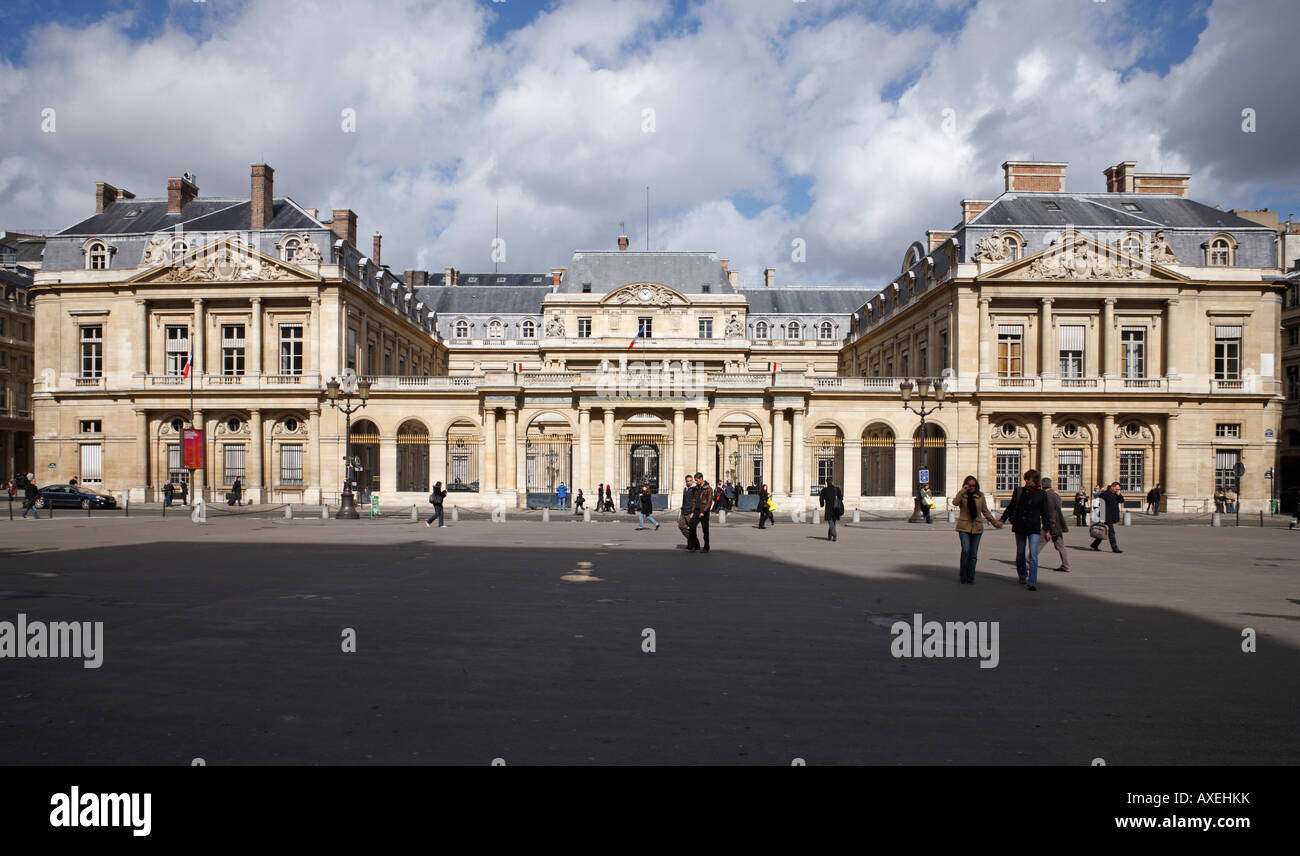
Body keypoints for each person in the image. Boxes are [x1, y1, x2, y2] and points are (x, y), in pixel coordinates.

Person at [1000, 469, 1053, 590]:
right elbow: (1011, 507)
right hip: (1020, 526)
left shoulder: (1041, 494)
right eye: (1025, 479)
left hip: (1034, 527)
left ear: (1034, 480)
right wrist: (1002, 520)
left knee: (1033, 554)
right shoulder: (1019, 491)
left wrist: (1047, 530)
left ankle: (1032, 581)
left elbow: (1045, 513)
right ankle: (1023, 574)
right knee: (1020, 553)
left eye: (1028, 479)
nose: (1026, 481)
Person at [953, 475, 1003, 584]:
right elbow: (955, 503)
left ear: (976, 486)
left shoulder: (980, 496)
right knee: (966, 550)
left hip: (977, 527)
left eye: (973, 486)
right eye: (969, 485)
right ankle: (963, 575)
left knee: (973, 554)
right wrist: (962, 491)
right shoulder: (963, 495)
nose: (971, 487)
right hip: (964, 527)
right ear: (966, 485)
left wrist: (994, 522)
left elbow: (985, 511)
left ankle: (971, 577)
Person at [1036, 477, 1071, 573]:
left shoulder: (1047, 496)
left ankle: (1029, 560)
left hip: (1051, 525)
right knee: (1061, 546)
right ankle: (1065, 565)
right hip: (1058, 525)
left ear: (1042, 485)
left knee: (1039, 544)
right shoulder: (1056, 495)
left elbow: (1051, 514)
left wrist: (1048, 530)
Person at [1090, 482, 1124, 553]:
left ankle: (1094, 545)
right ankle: (1115, 548)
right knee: (1111, 532)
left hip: (1112, 515)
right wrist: (1102, 518)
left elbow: (1122, 501)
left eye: (1119, 489)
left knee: (1103, 531)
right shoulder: (1104, 494)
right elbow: (1101, 505)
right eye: (1117, 489)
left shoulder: (1116, 494)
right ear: (1112, 487)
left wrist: (1119, 494)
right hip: (1106, 516)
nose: (1117, 490)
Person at [690, 473, 712, 553]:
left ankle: (706, 547)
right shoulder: (696, 488)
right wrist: (692, 511)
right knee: (692, 526)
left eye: (696, 480)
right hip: (696, 511)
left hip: (704, 512)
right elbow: (694, 500)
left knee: (705, 530)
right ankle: (696, 545)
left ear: (701, 479)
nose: (696, 482)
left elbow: (709, 502)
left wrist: (703, 512)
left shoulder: (709, 489)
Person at [818, 476, 843, 541]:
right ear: (832, 481)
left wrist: (822, 504)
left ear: (826, 482)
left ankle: (834, 535)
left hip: (829, 508)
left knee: (830, 522)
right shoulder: (837, 489)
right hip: (836, 508)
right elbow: (841, 498)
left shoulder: (824, 490)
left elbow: (821, 499)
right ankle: (829, 536)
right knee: (833, 522)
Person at [678, 475, 698, 549]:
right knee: (681, 526)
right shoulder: (685, 489)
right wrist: (682, 508)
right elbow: (684, 500)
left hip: (690, 511)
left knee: (692, 529)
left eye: (690, 480)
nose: (689, 482)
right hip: (684, 510)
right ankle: (692, 541)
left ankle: (693, 544)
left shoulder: (695, 489)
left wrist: (693, 512)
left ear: (692, 480)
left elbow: (695, 501)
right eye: (687, 481)